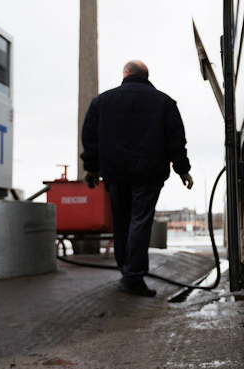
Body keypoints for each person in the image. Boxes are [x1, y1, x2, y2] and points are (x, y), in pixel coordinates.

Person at [81, 60, 193, 298]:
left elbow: (90, 137)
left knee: (121, 222)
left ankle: (127, 271)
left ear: (126, 73)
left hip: (115, 172)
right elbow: (176, 140)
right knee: (140, 221)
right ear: (146, 75)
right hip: (149, 172)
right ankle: (132, 276)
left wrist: (91, 169)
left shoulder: (102, 101)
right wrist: (182, 169)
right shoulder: (164, 102)